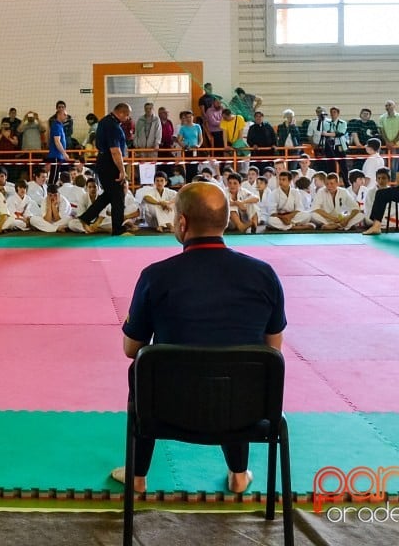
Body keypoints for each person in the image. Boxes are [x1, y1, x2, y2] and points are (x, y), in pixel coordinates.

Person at [113, 181, 285, 494]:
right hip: (245, 411)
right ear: (225, 220)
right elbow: (273, 350)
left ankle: (138, 475)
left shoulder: (155, 276)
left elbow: (130, 348)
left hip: (166, 410)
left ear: (181, 222)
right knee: (243, 367)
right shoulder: (264, 275)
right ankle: (238, 473)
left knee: (141, 368)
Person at [77, 102, 129, 235]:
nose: (128, 118)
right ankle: (118, 229)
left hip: (103, 161)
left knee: (109, 195)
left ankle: (86, 217)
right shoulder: (113, 126)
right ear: (121, 113)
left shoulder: (104, 121)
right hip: (110, 163)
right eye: (127, 115)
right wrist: (122, 170)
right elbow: (115, 151)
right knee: (117, 196)